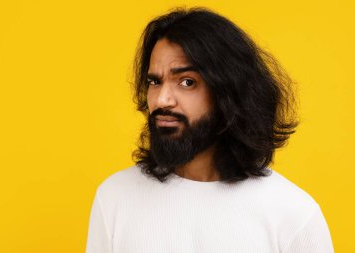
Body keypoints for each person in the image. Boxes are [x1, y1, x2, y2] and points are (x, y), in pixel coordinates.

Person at [86, 7, 334, 253]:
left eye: (187, 82)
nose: (161, 100)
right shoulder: (114, 197)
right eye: (155, 81)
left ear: (228, 93)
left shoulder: (293, 215)